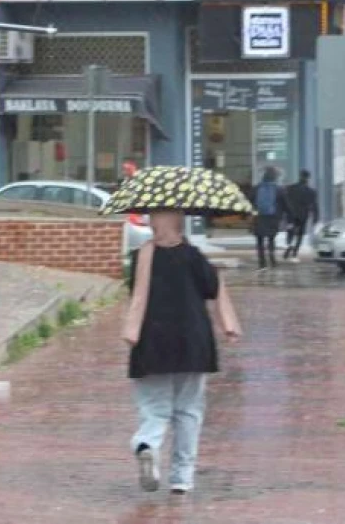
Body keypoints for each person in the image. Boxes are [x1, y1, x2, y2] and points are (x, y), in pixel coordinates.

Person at [122, 211, 242, 495]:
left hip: (152, 340)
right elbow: (211, 288)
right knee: (188, 411)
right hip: (192, 341)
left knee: (154, 408)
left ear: (156, 222)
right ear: (180, 221)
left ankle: (147, 445)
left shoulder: (142, 258)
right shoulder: (194, 256)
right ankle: (181, 478)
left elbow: (134, 294)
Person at [282, 170, 318, 262]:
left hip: (291, 215)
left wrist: (284, 212)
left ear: (299, 176)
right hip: (303, 216)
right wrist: (315, 218)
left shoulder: (290, 188)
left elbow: (285, 201)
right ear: (308, 178)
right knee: (300, 235)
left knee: (290, 232)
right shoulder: (311, 191)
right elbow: (314, 205)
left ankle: (289, 246)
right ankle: (294, 253)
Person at [253, 166, 282, 270]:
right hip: (272, 217)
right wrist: (290, 217)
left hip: (259, 217)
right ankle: (272, 261)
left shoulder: (257, 188)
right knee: (271, 239)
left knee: (260, 241)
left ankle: (262, 263)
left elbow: (250, 201)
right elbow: (285, 204)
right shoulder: (278, 189)